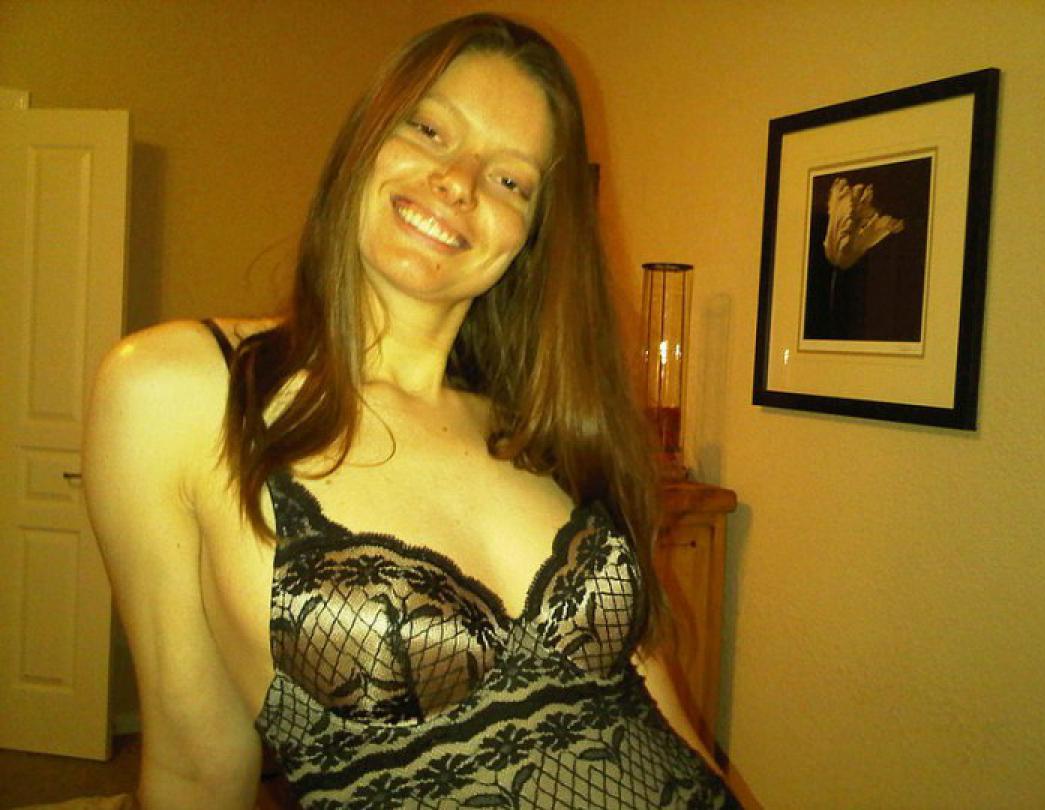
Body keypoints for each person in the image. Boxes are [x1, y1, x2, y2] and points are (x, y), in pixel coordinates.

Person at [85, 13, 741, 810]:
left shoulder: (550, 428)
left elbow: (661, 714)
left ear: (531, 236)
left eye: (510, 180)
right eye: (429, 130)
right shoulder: (179, 389)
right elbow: (196, 763)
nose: (459, 182)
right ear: (365, 141)